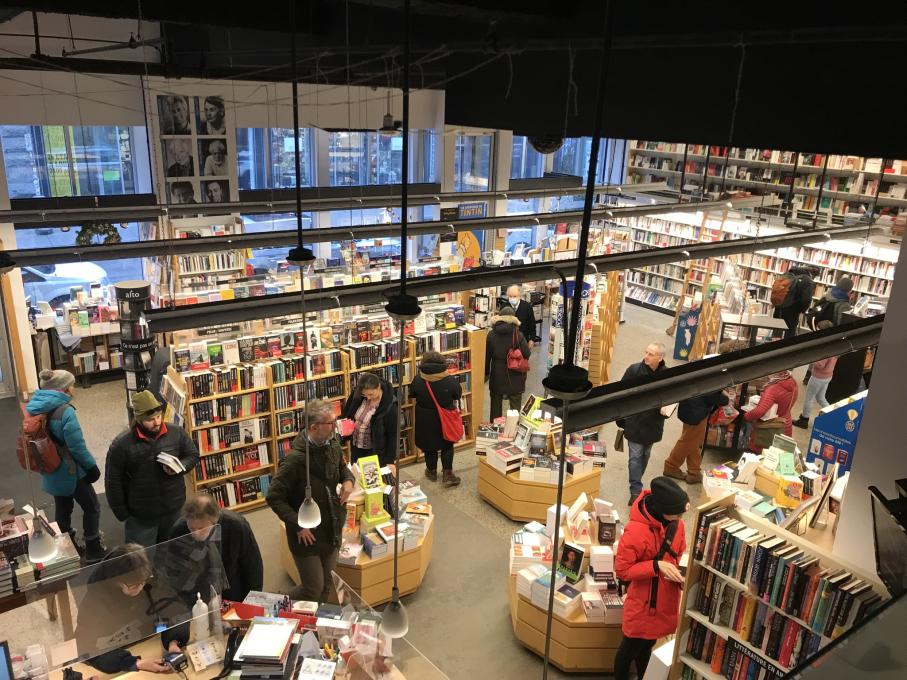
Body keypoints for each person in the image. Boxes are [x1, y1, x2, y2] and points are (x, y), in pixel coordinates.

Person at [266, 399, 355, 602]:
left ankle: (313, 620)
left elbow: (341, 469)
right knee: (312, 588)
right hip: (307, 534)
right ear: (314, 427)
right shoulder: (295, 461)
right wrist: (298, 524)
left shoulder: (332, 444)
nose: (336, 426)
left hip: (331, 527)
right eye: (330, 423)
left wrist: (349, 481)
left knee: (326, 583)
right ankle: (278, 605)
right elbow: (274, 497)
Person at [25, 369, 105, 562]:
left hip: (50, 468)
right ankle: (93, 548)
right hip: (71, 471)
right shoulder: (65, 411)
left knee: (63, 507)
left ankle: (67, 545)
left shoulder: (35, 407)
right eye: (72, 384)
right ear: (64, 388)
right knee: (92, 507)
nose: (74, 387)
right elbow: (77, 447)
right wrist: (92, 468)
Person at [614, 477, 689, 680]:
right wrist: (656, 566)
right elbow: (622, 570)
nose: (681, 517)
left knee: (648, 643)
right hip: (642, 602)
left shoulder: (677, 524)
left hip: (666, 598)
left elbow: (679, 551)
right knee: (629, 647)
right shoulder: (635, 532)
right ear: (663, 509)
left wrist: (675, 571)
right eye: (677, 512)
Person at [75, 544, 190, 674]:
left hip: (149, 638)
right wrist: (135, 663)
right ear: (117, 582)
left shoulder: (146, 575)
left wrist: (173, 641)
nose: (141, 587)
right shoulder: (97, 597)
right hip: (117, 652)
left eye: (143, 581)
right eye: (134, 585)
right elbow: (85, 648)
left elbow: (175, 607)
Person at [105, 391, 199, 547]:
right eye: (150, 420)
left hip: (174, 508)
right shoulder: (121, 445)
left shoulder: (176, 432)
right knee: (141, 560)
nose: (156, 422)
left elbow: (193, 455)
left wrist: (180, 468)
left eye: (158, 417)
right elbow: (113, 481)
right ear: (139, 419)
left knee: (173, 552)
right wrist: (122, 513)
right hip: (141, 516)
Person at [168, 494, 263, 603]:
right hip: (197, 596)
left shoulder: (237, 526)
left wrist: (252, 602)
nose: (195, 533)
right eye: (191, 528)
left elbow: (253, 567)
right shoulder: (179, 530)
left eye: (201, 528)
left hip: (233, 592)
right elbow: (173, 570)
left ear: (214, 521)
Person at [618, 343, 669, 505]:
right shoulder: (634, 370)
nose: (646, 356)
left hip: (654, 423)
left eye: (651, 354)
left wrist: (667, 407)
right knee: (635, 457)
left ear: (660, 358)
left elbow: (672, 395)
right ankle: (636, 491)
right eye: (646, 352)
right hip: (635, 422)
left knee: (645, 455)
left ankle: (636, 481)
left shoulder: (667, 375)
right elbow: (620, 391)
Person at [410, 351, 462, 487]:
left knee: (429, 447)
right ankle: (448, 474)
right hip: (444, 418)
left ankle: (431, 471)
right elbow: (457, 394)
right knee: (447, 445)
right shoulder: (450, 380)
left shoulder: (418, 379)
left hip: (425, 419)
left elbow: (412, 394)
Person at [663, 387, 730, 484]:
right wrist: (725, 398)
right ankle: (671, 466)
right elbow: (711, 396)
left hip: (691, 408)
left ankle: (694, 472)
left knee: (694, 441)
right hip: (697, 411)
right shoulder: (709, 376)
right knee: (687, 441)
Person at [340, 372, 398, 466]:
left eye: (371, 394)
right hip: (356, 445)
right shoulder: (358, 395)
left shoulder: (390, 406)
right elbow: (347, 414)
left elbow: (392, 434)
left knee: (371, 478)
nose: (368, 397)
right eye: (365, 395)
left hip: (374, 450)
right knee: (357, 475)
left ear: (378, 387)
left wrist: (390, 460)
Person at [484, 303, 531, 421]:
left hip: (497, 374)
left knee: (495, 403)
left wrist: (486, 374)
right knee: (515, 405)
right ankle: (513, 429)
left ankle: (495, 428)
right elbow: (527, 354)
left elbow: (487, 357)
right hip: (514, 375)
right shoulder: (518, 335)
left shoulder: (491, 334)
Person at [743, 370, 799, 452]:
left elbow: (759, 411)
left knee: (760, 459)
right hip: (786, 425)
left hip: (769, 430)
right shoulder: (792, 382)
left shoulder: (772, 389)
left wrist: (746, 416)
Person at [795, 348, 838, 430]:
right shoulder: (836, 348)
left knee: (809, 399)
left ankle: (804, 420)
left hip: (818, 377)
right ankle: (832, 414)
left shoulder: (826, 349)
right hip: (827, 376)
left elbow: (820, 365)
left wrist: (812, 358)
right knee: (821, 398)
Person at [772, 265, 816, 338]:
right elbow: (806, 300)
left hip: (778, 308)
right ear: (811, 274)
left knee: (777, 330)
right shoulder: (807, 281)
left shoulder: (785, 274)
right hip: (792, 311)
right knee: (789, 333)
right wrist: (802, 309)